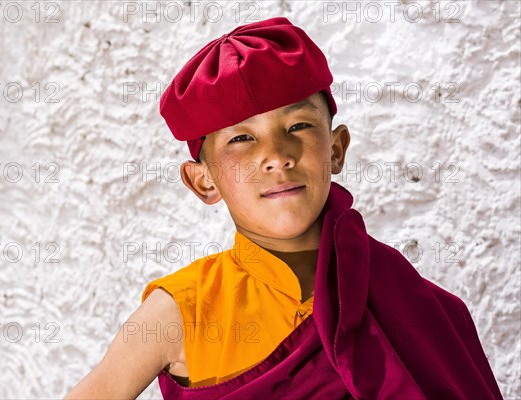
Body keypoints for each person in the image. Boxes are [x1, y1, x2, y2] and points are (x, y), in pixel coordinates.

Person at [65, 17, 503, 399]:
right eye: (241, 138)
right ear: (204, 180)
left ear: (336, 149)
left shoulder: (420, 306)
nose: (276, 155)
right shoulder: (181, 311)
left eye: (297, 125)